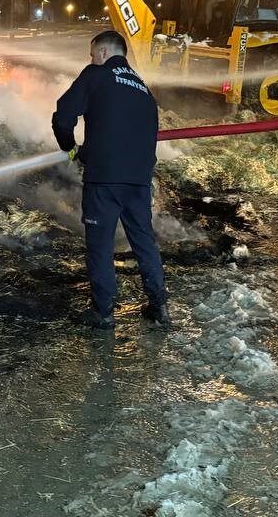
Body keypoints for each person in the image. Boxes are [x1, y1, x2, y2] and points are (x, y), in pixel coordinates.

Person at [52, 30, 169, 330]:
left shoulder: (97, 74)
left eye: (92, 54)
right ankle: (159, 306)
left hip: (105, 180)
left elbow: (63, 116)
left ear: (103, 53)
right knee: (144, 241)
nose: (90, 59)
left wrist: (70, 149)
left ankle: (103, 312)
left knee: (100, 245)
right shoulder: (144, 90)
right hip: (139, 180)